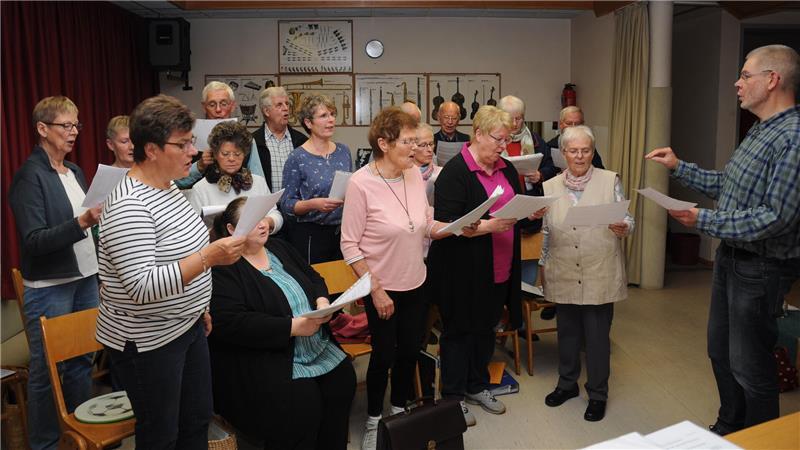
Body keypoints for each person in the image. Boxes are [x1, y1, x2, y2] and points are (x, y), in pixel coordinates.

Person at [646, 44, 800, 434]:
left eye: (745, 75)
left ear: (773, 79)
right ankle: (729, 426)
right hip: (732, 259)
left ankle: (759, 438)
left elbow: (776, 217)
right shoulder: (761, 131)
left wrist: (703, 219)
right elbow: (728, 185)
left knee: (751, 366)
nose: (737, 82)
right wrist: (680, 167)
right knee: (720, 352)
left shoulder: (794, 138)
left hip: (761, 267)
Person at [97, 94, 245, 448]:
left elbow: (185, 250)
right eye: (182, 144)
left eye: (191, 141)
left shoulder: (168, 188)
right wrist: (209, 258)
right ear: (151, 149)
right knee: (161, 433)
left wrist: (199, 308)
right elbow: (143, 286)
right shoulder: (128, 205)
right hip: (148, 341)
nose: (193, 152)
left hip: (186, 325)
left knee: (196, 420)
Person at [340, 107, 467, 450]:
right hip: (382, 286)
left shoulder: (413, 175)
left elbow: (425, 221)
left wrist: (454, 228)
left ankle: (398, 415)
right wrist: (376, 290)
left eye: (416, 141)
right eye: (408, 142)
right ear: (383, 143)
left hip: (416, 281)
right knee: (382, 356)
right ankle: (373, 419)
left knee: (409, 350)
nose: (415, 149)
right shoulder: (361, 183)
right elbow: (349, 244)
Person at [427, 105, 546, 427]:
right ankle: (452, 396)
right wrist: (488, 227)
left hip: (501, 266)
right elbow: (447, 227)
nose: (502, 147)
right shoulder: (454, 173)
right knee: (457, 332)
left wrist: (529, 212)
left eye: (506, 140)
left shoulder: (507, 168)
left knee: (485, 329)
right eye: (497, 139)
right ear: (478, 134)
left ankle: (477, 385)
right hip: (461, 272)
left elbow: (513, 207)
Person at [209, 197, 355, 450]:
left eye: (264, 217)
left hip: (315, 345)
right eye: (253, 221)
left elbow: (313, 276)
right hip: (271, 357)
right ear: (232, 230)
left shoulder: (280, 247)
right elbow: (232, 323)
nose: (263, 225)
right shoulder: (223, 267)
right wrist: (292, 327)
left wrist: (322, 301)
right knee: (302, 407)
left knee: (343, 381)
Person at [9, 96, 101, 450]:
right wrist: (82, 221)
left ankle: (80, 434)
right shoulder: (29, 177)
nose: (74, 131)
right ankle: (46, 444)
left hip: (85, 278)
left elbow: (83, 228)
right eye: (66, 125)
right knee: (49, 372)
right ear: (42, 129)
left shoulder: (75, 171)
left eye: (77, 124)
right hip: (50, 287)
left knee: (82, 361)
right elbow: (34, 241)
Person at [540, 125, 633, 423]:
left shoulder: (609, 180)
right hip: (563, 266)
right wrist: (543, 266)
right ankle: (567, 385)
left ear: (592, 151)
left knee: (596, 338)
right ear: (563, 153)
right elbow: (545, 232)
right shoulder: (550, 186)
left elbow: (626, 217)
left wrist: (624, 227)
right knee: (566, 335)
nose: (580, 156)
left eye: (586, 150)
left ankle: (597, 394)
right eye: (573, 151)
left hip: (599, 268)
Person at [280, 94, 352, 264]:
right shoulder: (297, 157)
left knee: (343, 286)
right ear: (308, 123)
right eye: (323, 116)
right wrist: (314, 204)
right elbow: (286, 204)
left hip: (343, 233)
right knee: (318, 286)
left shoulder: (343, 151)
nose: (331, 120)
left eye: (332, 114)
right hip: (311, 235)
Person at [189, 120, 283, 234]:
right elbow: (192, 231)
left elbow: (275, 215)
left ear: (245, 154)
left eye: (237, 154)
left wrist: (268, 222)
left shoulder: (258, 182)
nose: (232, 159)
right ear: (215, 154)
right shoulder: (201, 189)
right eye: (225, 154)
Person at [174, 81, 265, 188]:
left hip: (238, 199)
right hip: (201, 200)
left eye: (223, 104)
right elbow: (176, 182)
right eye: (212, 104)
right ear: (204, 107)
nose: (218, 110)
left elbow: (258, 180)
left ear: (232, 106)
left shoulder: (247, 139)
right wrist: (199, 165)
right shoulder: (190, 139)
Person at [250, 86, 309, 192]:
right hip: (266, 206)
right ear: (266, 111)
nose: (286, 108)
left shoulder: (302, 141)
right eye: (279, 105)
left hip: (296, 206)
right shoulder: (252, 141)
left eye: (287, 103)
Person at [540, 106, 605, 181]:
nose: (573, 127)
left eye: (577, 124)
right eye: (569, 123)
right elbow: (543, 176)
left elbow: (600, 171)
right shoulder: (550, 146)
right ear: (561, 124)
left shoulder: (587, 146)